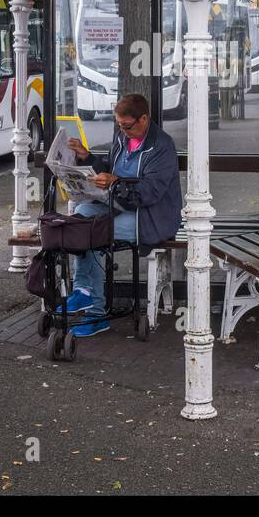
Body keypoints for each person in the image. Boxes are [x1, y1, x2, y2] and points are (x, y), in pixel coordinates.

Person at [62, 93, 183, 337]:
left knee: (93, 232)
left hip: (150, 215)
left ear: (144, 119)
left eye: (127, 126)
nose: (123, 131)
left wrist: (115, 182)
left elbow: (151, 192)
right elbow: (109, 169)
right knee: (80, 216)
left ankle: (96, 313)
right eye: (119, 125)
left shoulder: (161, 146)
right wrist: (87, 157)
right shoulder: (121, 138)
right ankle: (83, 291)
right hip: (118, 203)